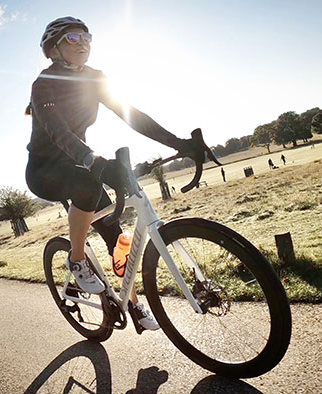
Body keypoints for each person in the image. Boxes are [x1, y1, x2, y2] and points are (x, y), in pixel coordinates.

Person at [25, 17, 203, 331]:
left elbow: (131, 114)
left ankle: (133, 305)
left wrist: (179, 143)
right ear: (53, 48)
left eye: (87, 36)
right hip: (45, 171)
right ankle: (76, 259)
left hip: (81, 165)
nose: (83, 43)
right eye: (73, 38)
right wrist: (91, 159)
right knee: (86, 187)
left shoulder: (95, 78)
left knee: (117, 237)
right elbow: (58, 132)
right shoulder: (44, 84)